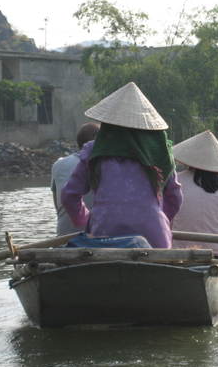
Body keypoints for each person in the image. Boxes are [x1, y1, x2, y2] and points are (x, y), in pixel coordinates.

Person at [61, 82, 183, 248]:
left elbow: (69, 195)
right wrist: (160, 219)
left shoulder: (94, 151)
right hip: (154, 237)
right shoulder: (160, 153)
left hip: (103, 235)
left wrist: (83, 219)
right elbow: (174, 197)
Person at [51, 122, 100, 235]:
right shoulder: (104, 164)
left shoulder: (58, 164)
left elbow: (58, 208)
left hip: (63, 235)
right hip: (94, 236)